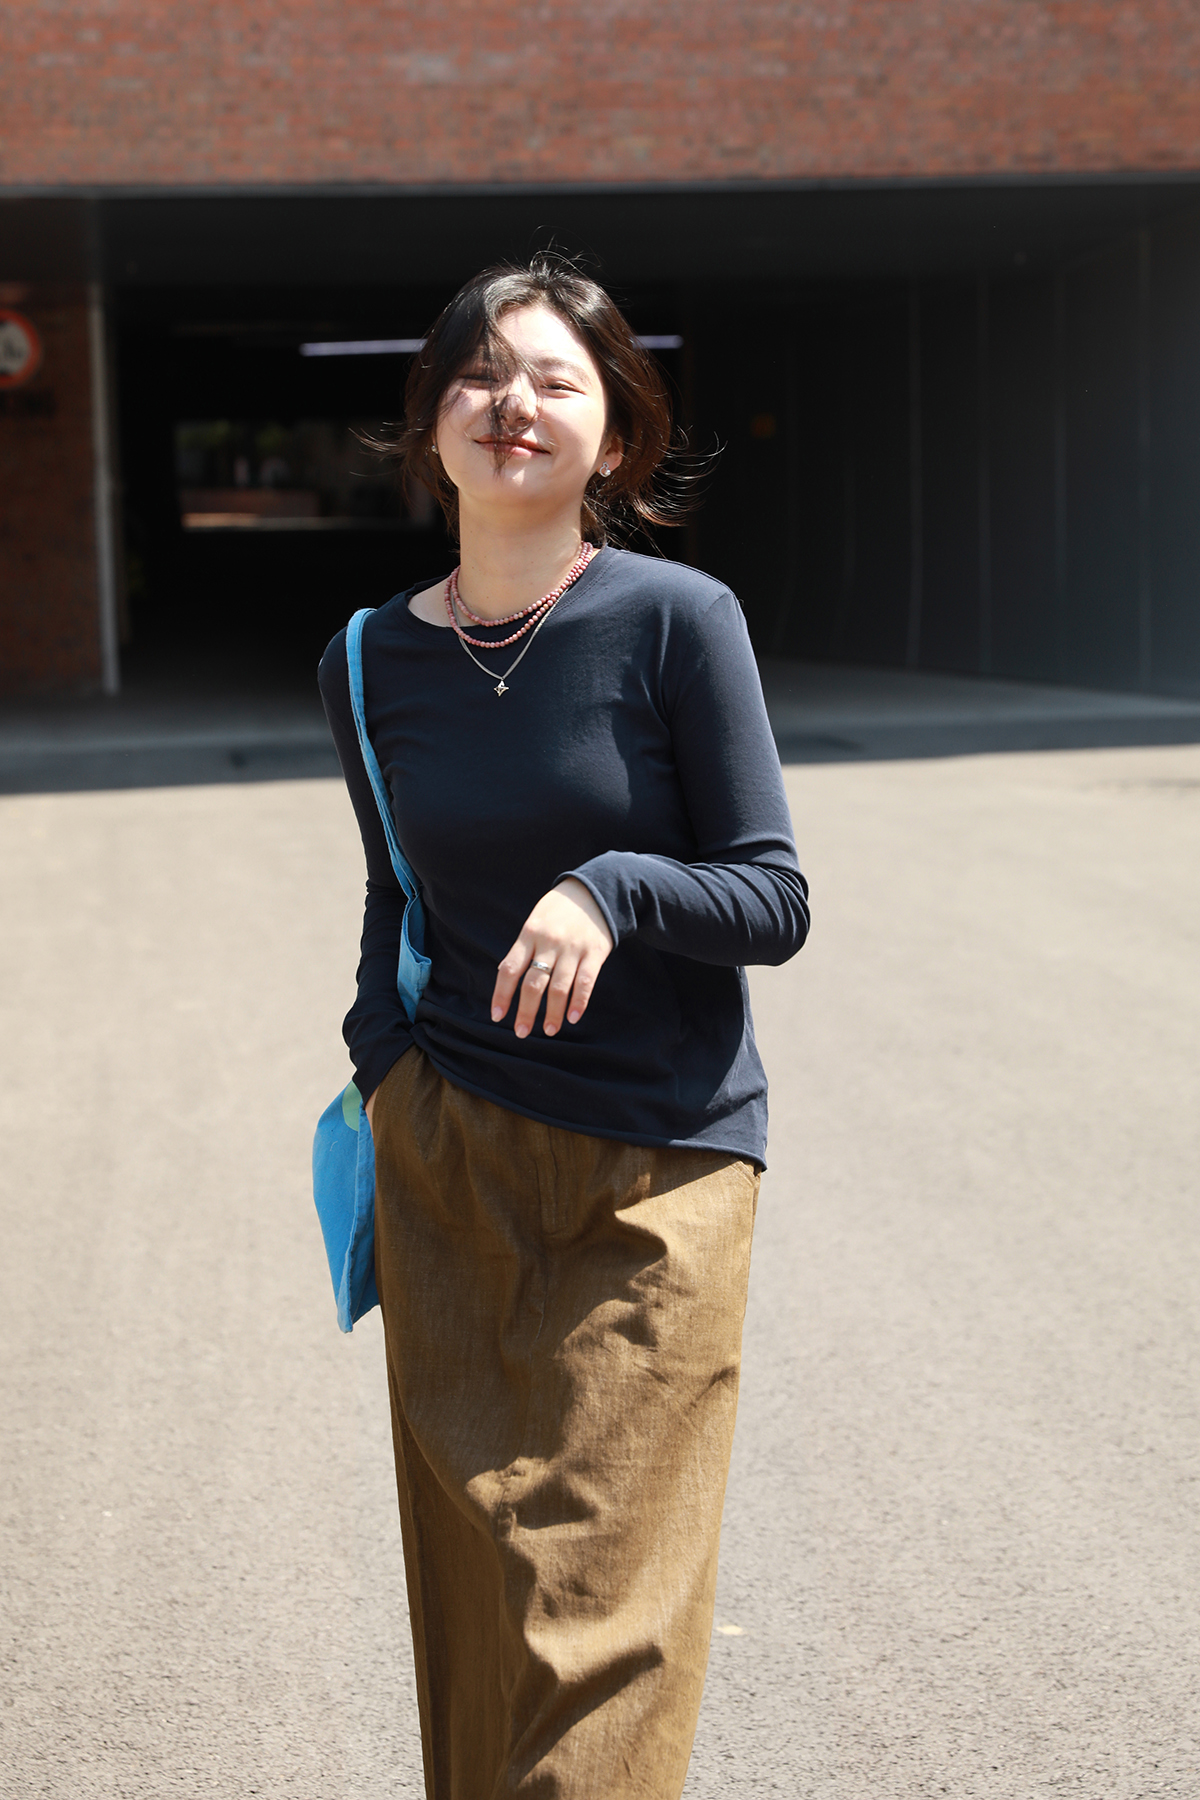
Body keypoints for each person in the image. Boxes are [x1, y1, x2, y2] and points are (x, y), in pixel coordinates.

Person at [318, 254, 810, 1800]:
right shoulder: (367, 659)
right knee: (477, 1582)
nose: (510, 402)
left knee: (597, 1612)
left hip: (654, 1167)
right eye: (478, 373)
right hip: (450, 1151)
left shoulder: (677, 619)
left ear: (615, 435)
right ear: (431, 422)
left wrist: (614, 887)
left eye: (553, 379)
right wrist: (387, 1068)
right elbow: (395, 890)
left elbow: (773, 894)